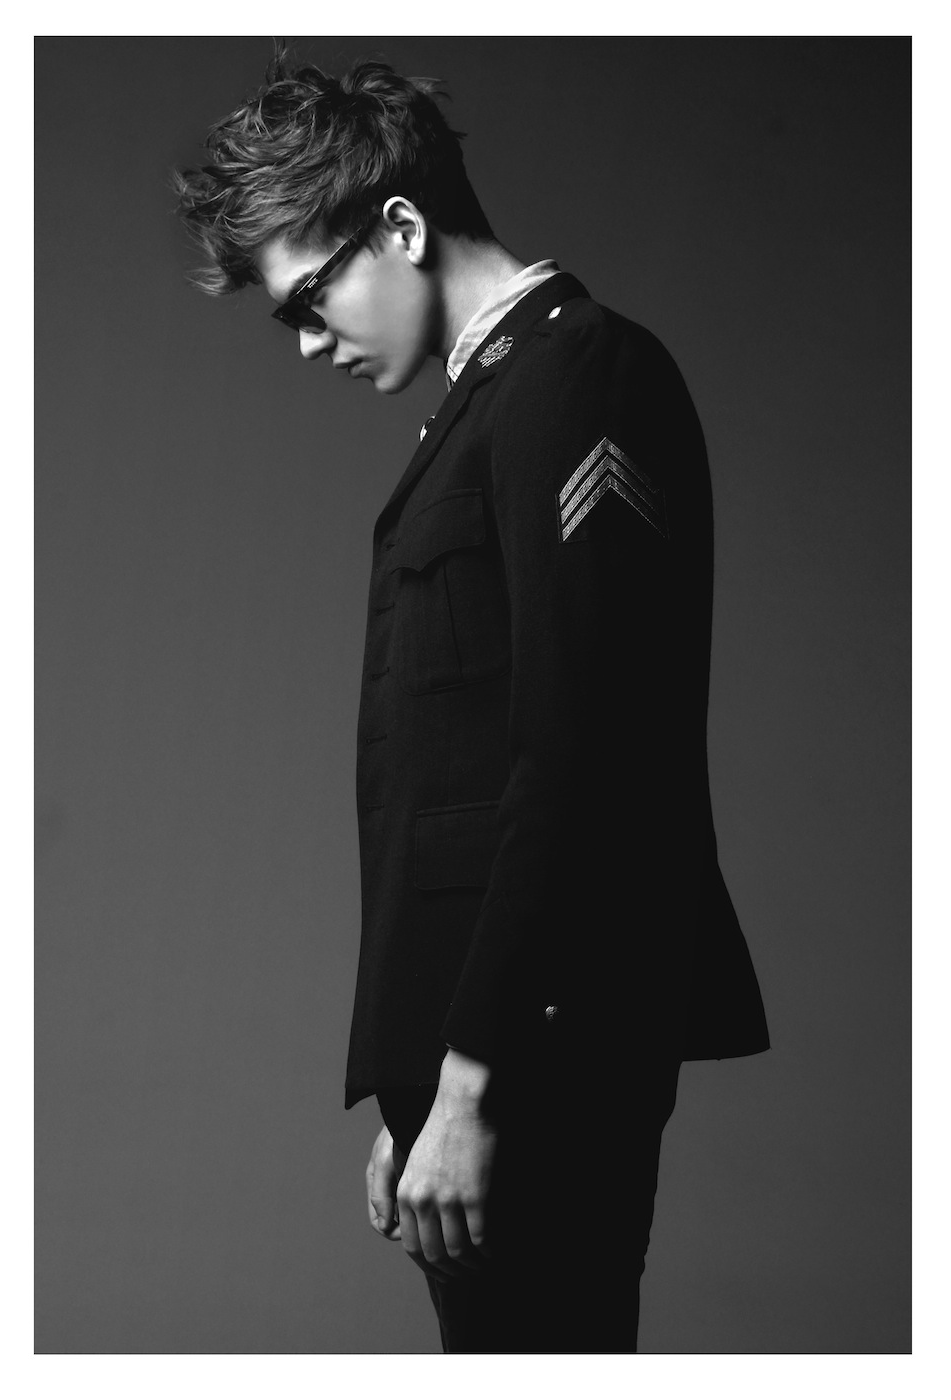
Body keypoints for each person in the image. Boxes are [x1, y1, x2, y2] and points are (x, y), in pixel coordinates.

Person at [174, 49, 770, 1354]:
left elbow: (586, 754)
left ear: (400, 226)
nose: (309, 342)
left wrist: (476, 1081)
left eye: (309, 300)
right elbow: (457, 772)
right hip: (471, 1060)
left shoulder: (578, 377)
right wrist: (417, 1086)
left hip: (540, 1052)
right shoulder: (490, 404)